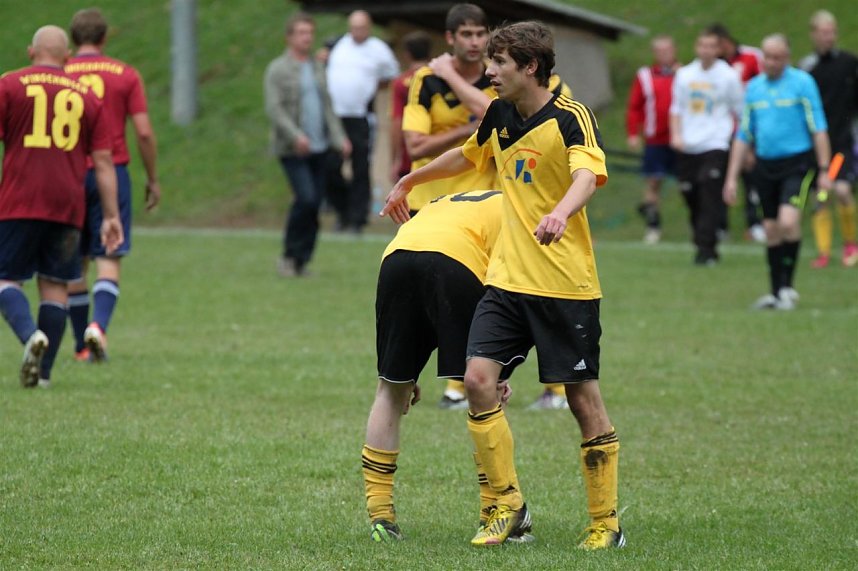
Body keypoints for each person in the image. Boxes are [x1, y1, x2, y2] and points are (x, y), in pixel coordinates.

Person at [382, 21, 623, 550]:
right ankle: (508, 506)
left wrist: (560, 213)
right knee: (476, 380)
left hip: (565, 283)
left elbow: (586, 176)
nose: (488, 71)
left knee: (583, 402)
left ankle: (606, 523)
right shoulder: (499, 114)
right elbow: (470, 153)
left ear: (530, 67)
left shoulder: (571, 116)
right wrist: (412, 178)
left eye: (499, 63)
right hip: (508, 279)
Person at [364, 190, 537, 543]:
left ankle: (381, 517)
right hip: (456, 261)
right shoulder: (522, 206)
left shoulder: (452, 198)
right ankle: (494, 513)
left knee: (390, 389)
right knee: (485, 392)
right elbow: (509, 287)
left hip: (396, 258)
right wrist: (498, 374)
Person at [0, 25, 122, 387]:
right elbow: (103, 161)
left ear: (31, 52)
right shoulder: (87, 97)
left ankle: (30, 336)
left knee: (6, 278)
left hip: (18, 200)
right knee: (55, 286)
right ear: (67, 57)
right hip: (68, 205)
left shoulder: (9, 85)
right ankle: (43, 375)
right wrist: (111, 215)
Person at [402, 3, 498, 410]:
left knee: (477, 297)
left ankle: (461, 385)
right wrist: (469, 130)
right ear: (450, 38)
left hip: (480, 206)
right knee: (420, 301)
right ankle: (404, 377)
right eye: (467, 34)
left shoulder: (498, 76)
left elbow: (495, 116)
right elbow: (415, 145)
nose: (475, 42)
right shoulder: (425, 81)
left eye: (480, 34)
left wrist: (454, 83)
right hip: (428, 204)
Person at [63, 8, 159, 362]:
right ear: (105, 37)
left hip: (68, 173)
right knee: (109, 255)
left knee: (74, 262)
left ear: (73, 39)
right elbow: (144, 132)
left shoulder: (60, 74)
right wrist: (152, 178)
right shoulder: (125, 74)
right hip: (111, 171)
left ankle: (80, 347)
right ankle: (98, 328)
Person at [724, 34, 832, 310]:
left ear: (787, 58)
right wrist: (731, 177)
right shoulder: (754, 88)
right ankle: (774, 293)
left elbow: (818, 128)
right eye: (767, 57)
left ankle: (787, 287)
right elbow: (743, 135)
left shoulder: (802, 83)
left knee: (788, 222)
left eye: (777, 57)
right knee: (771, 229)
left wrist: (824, 169)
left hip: (797, 163)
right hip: (765, 166)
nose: (771, 62)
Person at [264, 12, 350, 278]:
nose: (307, 38)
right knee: (306, 198)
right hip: (293, 149)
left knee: (315, 204)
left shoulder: (317, 67)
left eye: (310, 33)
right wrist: (295, 136)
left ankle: (302, 259)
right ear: (289, 37)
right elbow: (275, 109)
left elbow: (327, 106)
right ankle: (289, 255)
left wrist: (339, 138)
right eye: (301, 33)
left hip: (320, 147)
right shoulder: (278, 69)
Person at [670, 29, 744, 265]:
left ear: (719, 49)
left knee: (709, 193)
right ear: (697, 47)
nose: (707, 50)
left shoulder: (728, 76)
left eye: (712, 46)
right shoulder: (685, 75)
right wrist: (676, 134)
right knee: (689, 193)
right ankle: (701, 238)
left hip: (716, 142)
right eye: (703, 45)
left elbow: (740, 110)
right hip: (689, 143)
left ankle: (706, 249)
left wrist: (744, 143)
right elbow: (676, 108)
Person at [326, 10, 399, 234]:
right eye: (354, 27)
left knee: (360, 167)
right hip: (336, 117)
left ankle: (357, 219)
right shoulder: (340, 46)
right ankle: (343, 211)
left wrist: (370, 89)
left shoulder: (378, 49)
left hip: (361, 116)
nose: (357, 32)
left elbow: (390, 76)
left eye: (361, 27)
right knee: (330, 166)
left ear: (368, 27)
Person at [798, 10, 858, 268]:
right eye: (823, 32)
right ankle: (823, 252)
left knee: (842, 190)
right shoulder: (806, 67)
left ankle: (850, 244)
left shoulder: (849, 63)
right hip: (815, 143)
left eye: (832, 32)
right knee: (820, 196)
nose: (828, 37)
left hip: (841, 142)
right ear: (813, 34)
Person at [707, 23, 767, 244]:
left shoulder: (752, 57)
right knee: (720, 178)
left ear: (724, 42)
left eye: (715, 45)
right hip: (722, 133)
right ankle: (721, 226)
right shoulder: (714, 66)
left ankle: (755, 223)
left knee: (752, 177)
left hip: (749, 129)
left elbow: (763, 87)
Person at [626, 35, 679, 245]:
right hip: (655, 139)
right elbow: (634, 107)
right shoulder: (645, 76)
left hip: (681, 139)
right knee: (653, 182)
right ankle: (653, 225)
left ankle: (702, 225)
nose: (665, 54)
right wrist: (633, 133)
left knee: (688, 182)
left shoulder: (686, 74)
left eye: (668, 50)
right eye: (660, 51)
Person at [389, 31, 432, 184]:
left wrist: (396, 159)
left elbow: (397, 122)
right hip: (439, 153)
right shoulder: (441, 78)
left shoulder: (401, 83)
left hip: (410, 155)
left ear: (407, 54)